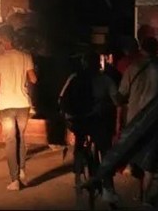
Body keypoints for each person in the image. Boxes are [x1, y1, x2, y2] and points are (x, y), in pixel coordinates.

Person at [58, 51, 119, 203]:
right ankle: (108, 188)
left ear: (84, 63)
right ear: (99, 63)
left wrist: (68, 118)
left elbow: (61, 98)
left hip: (78, 120)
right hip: (98, 121)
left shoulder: (74, 77)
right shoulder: (105, 79)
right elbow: (116, 100)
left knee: (80, 141)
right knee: (105, 150)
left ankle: (78, 169)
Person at [116, 36, 158, 204]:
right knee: (150, 161)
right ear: (156, 50)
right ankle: (145, 196)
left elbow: (121, 95)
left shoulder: (132, 69)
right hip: (154, 119)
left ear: (141, 49)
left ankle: (138, 186)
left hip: (134, 120)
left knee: (136, 154)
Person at [0, 24, 38, 191]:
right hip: (23, 104)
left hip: (7, 105)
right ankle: (22, 171)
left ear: (2, 40)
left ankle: (14, 180)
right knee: (21, 137)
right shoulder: (26, 56)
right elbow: (34, 79)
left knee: (10, 140)